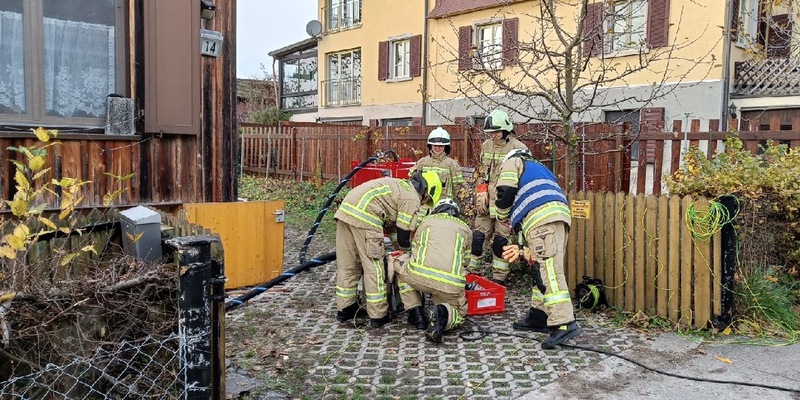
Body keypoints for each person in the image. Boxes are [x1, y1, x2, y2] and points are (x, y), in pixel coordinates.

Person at [495, 149, 581, 349]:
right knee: (540, 266)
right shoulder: (540, 168)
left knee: (550, 271)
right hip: (555, 216)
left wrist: (501, 215)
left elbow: (505, 191)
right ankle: (539, 315)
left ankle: (564, 323)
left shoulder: (514, 161)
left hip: (541, 219)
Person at [333, 171, 442, 328]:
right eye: (427, 200)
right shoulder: (412, 197)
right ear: (427, 191)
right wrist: (406, 253)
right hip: (366, 218)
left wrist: (397, 246)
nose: (425, 203)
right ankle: (378, 316)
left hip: (346, 212)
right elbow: (404, 233)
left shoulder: (399, 187)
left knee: (348, 265)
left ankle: (345, 309)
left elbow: (393, 228)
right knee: (374, 268)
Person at [388, 198, 472, 343]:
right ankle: (440, 313)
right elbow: (466, 262)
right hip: (449, 285)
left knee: (400, 266)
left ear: (436, 210)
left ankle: (416, 313)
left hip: (418, 277)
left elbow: (414, 250)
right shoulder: (466, 229)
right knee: (459, 314)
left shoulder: (425, 222)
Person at [469, 109, 529, 286]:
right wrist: (481, 190)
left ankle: (499, 279)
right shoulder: (486, 146)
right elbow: (482, 171)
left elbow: (523, 179)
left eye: (496, 132)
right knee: (478, 239)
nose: (493, 135)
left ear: (506, 129)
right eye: (490, 132)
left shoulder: (519, 148)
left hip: (506, 204)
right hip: (486, 204)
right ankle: (472, 274)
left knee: (500, 242)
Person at [409, 127, 465, 201]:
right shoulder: (422, 162)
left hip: (443, 204)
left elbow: (457, 187)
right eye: (435, 146)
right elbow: (412, 181)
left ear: (446, 147)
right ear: (430, 146)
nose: (437, 148)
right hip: (424, 204)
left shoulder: (452, 164)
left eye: (441, 146)